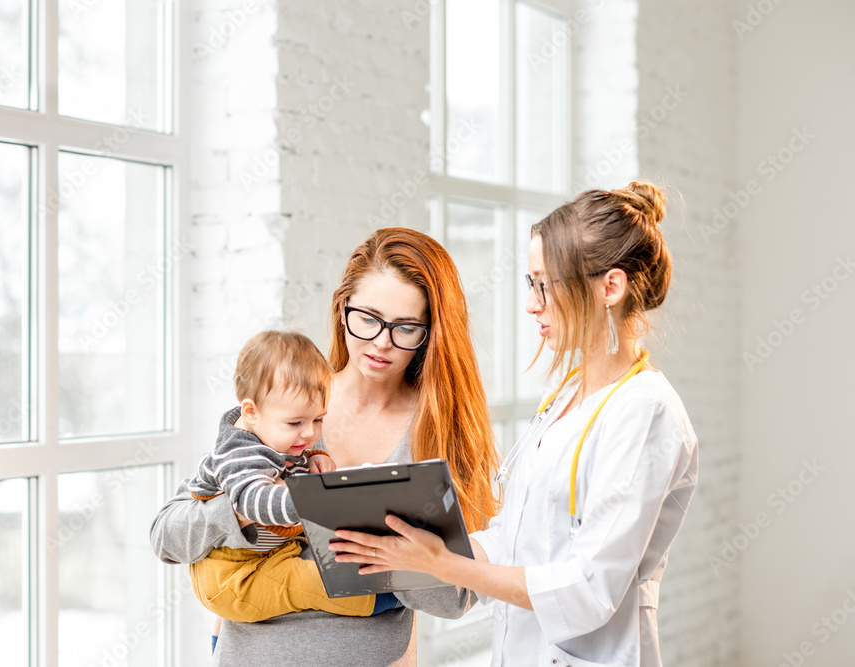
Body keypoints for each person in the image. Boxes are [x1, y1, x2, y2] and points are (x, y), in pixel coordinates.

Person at [332, 182, 700, 667]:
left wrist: (443, 564)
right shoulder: (566, 395)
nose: (532, 304)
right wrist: (420, 548)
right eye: (531, 284)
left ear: (610, 287)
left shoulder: (646, 410)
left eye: (546, 285)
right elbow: (515, 537)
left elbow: (590, 589)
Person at [150, 227, 501, 665]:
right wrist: (244, 511)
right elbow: (167, 537)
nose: (381, 342)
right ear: (342, 308)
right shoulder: (286, 404)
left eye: (406, 328)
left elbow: (457, 598)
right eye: (368, 318)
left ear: (430, 333)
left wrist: (390, 550)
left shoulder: (435, 433)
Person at [187, 329, 394, 624]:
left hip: (270, 554)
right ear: (251, 412)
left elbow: (284, 463)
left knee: (310, 568)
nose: (309, 433)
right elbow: (252, 500)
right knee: (307, 582)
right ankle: (381, 597)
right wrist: (314, 499)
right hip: (232, 574)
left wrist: (313, 457)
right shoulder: (239, 452)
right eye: (296, 422)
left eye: (318, 419)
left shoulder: (276, 434)